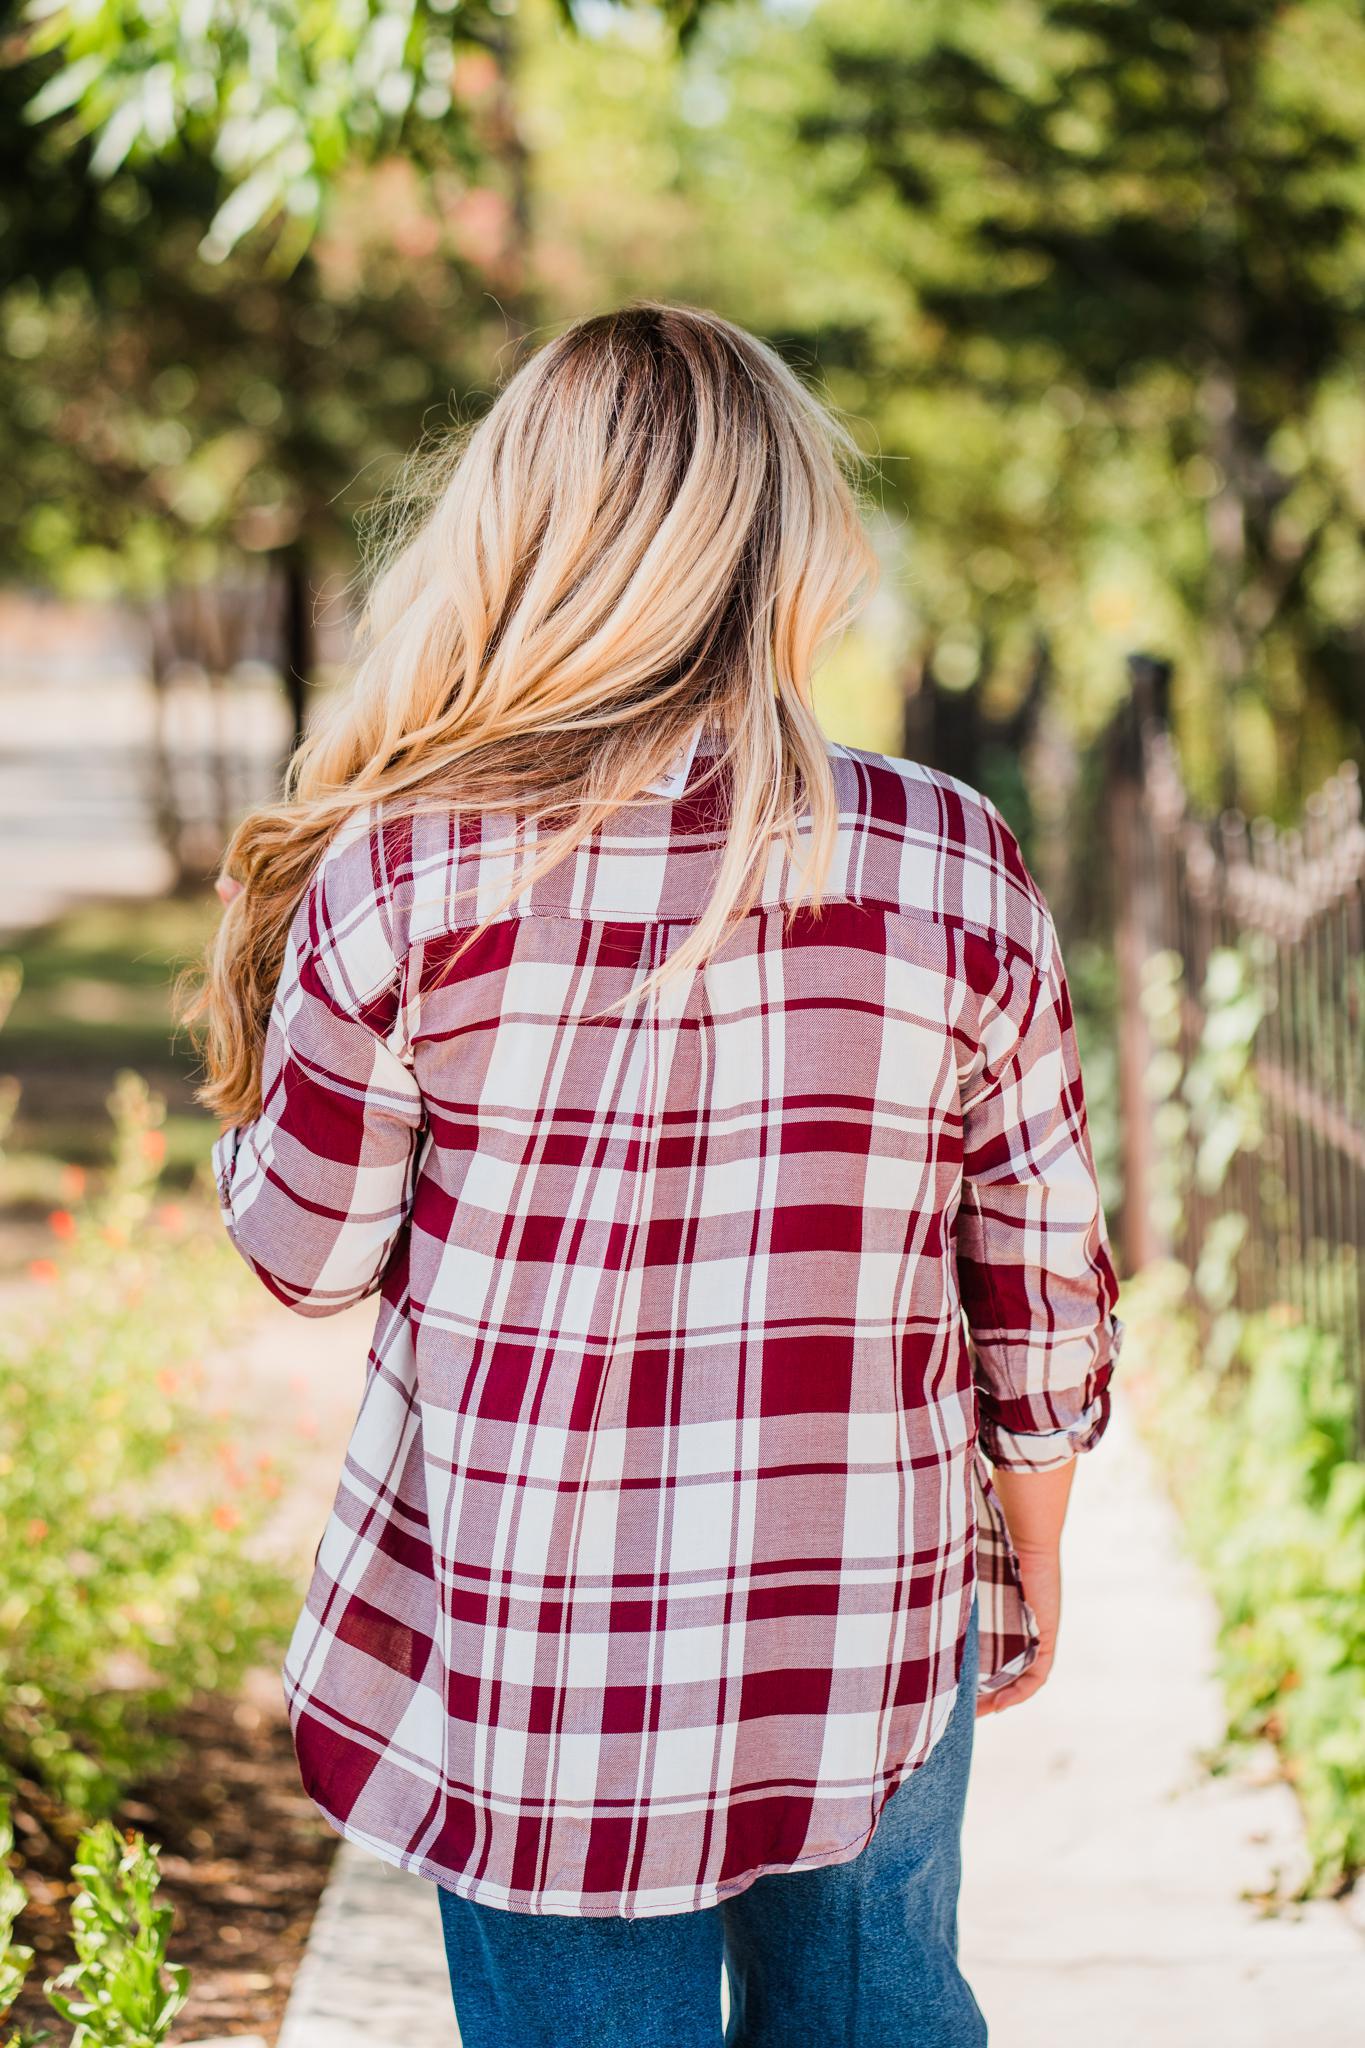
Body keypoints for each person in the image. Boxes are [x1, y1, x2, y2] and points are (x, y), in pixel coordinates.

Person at [189, 302, 1123, 2048]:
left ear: (518, 539)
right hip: (863, 1612)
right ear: (785, 540)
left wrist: (277, 1006)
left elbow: (307, 1257)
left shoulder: (402, 872)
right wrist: (1034, 1545)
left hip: (542, 1659)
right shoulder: (950, 860)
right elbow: (1044, 1288)